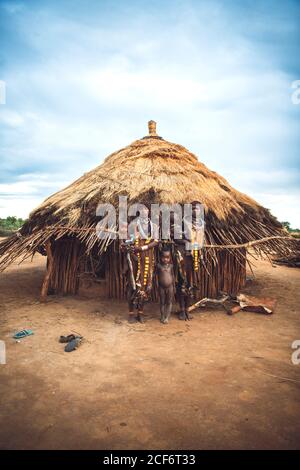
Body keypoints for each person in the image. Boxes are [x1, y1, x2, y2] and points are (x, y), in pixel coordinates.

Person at [121, 206, 159, 323]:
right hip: (134, 259)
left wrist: (142, 248)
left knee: (144, 286)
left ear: (149, 212)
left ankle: (141, 313)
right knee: (132, 286)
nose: (144, 211)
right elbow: (127, 241)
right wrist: (130, 248)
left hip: (147, 258)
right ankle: (131, 313)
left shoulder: (154, 226)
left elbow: (156, 241)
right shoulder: (132, 225)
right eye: (142, 210)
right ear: (139, 212)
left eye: (146, 210)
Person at [156, 247, 175, 324]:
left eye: (167, 257)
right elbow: (156, 276)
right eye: (164, 257)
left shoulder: (171, 266)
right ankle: (162, 316)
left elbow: (173, 276)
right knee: (162, 302)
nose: (165, 259)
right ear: (161, 257)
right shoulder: (158, 266)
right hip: (161, 287)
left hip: (170, 287)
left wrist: (174, 286)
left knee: (169, 302)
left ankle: (167, 317)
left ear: (170, 258)